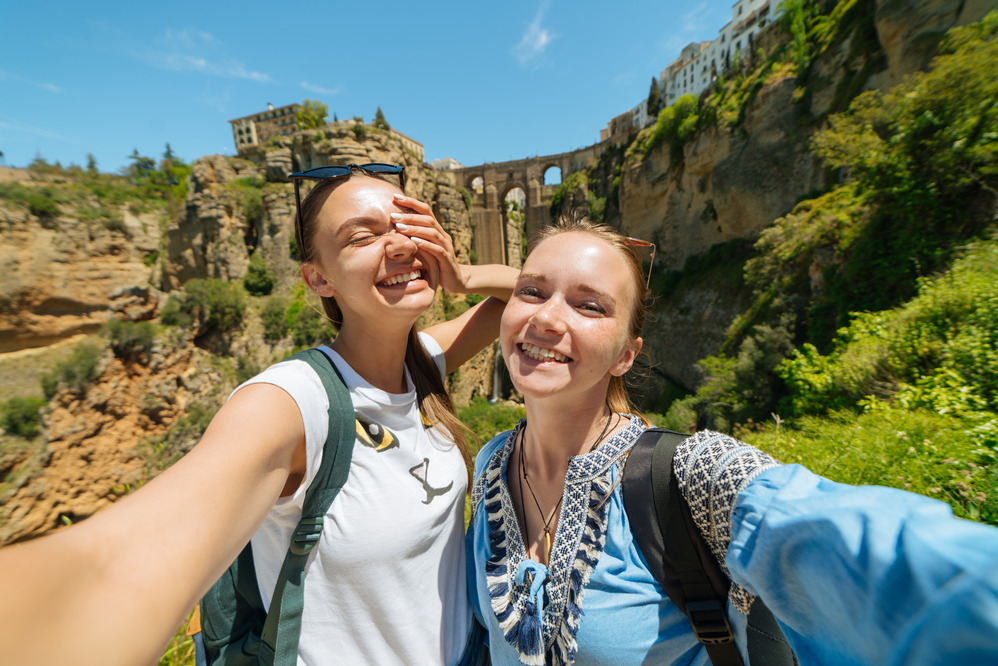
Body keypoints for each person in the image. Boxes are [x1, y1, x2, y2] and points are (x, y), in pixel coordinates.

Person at [0, 163, 518, 666]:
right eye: (362, 237)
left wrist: (464, 274)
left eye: (408, 226)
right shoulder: (291, 401)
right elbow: (115, 563)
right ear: (319, 279)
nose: (401, 245)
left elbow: (537, 296)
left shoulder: (423, 361)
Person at [466, 213, 998, 665]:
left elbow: (852, 542)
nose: (546, 317)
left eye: (590, 306)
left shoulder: (692, 473)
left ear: (627, 354)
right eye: (531, 291)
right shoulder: (490, 466)